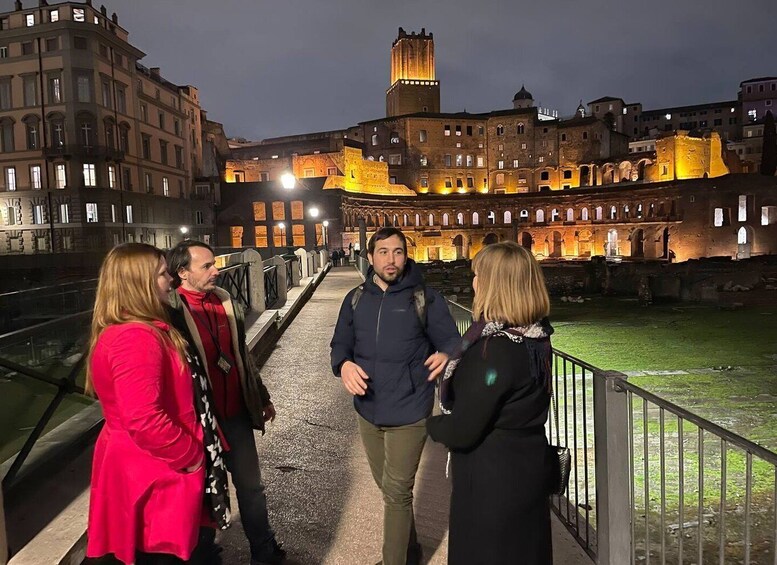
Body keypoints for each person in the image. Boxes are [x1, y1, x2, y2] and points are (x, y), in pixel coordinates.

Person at [85, 243, 229, 565]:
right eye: (163, 274)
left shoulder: (124, 330)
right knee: (168, 552)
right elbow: (143, 418)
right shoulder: (137, 337)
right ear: (141, 282)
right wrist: (191, 456)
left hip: (144, 464)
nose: (171, 281)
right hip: (158, 470)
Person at [330, 227, 460, 565]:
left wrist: (446, 354)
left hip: (409, 409)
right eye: (384, 252)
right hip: (368, 410)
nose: (391, 259)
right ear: (370, 257)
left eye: (398, 251)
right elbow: (340, 344)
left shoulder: (424, 297)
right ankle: (410, 552)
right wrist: (343, 365)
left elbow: (451, 340)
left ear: (406, 256)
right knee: (390, 490)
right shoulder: (355, 299)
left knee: (398, 492)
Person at [426, 241, 554, 565]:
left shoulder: (493, 350)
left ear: (495, 286)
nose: (473, 283)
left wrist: (429, 423)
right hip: (527, 471)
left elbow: (463, 430)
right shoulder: (535, 337)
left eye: (478, 276)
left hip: (493, 485)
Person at [167, 241, 286, 565]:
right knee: (201, 492)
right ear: (182, 272)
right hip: (200, 422)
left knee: (251, 488)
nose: (216, 271)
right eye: (206, 266)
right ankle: (205, 553)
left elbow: (241, 353)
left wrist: (260, 396)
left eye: (214, 264)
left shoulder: (224, 299)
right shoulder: (171, 310)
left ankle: (264, 549)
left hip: (235, 415)